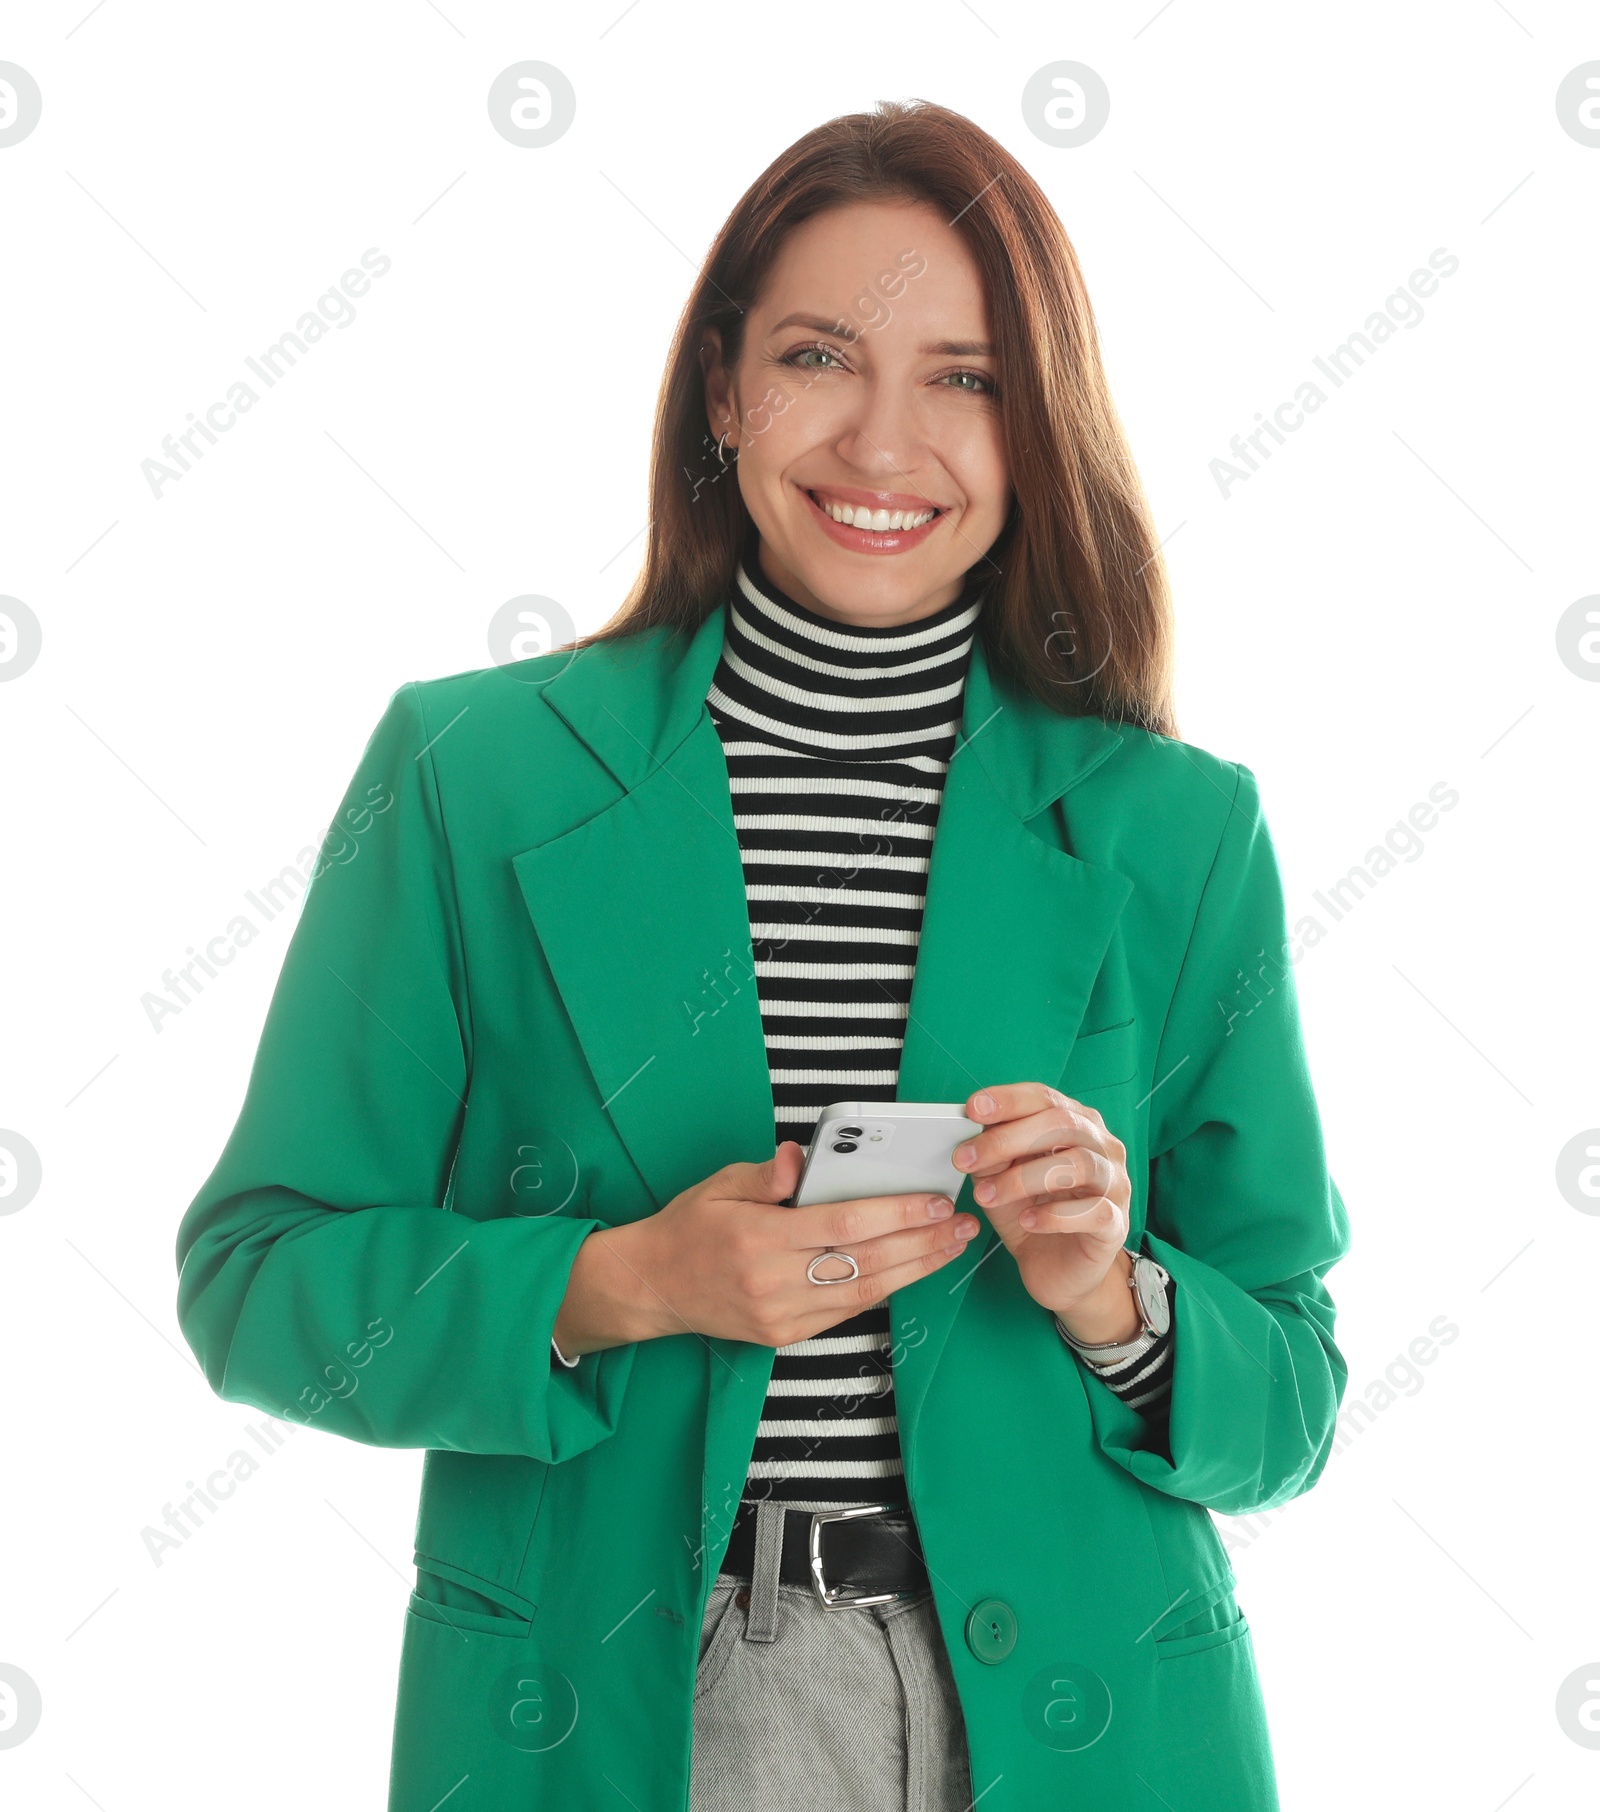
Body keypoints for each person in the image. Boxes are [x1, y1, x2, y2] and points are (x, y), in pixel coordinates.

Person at [175, 98, 1349, 1812]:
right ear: (725, 389)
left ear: (1038, 432)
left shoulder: (1178, 829)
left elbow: (1297, 1392)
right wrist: (624, 1283)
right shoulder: (470, 774)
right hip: (621, 1706)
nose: (887, 441)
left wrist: (1116, 1298)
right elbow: (258, 1279)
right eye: (821, 356)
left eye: (967, 378)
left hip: (1084, 1726)